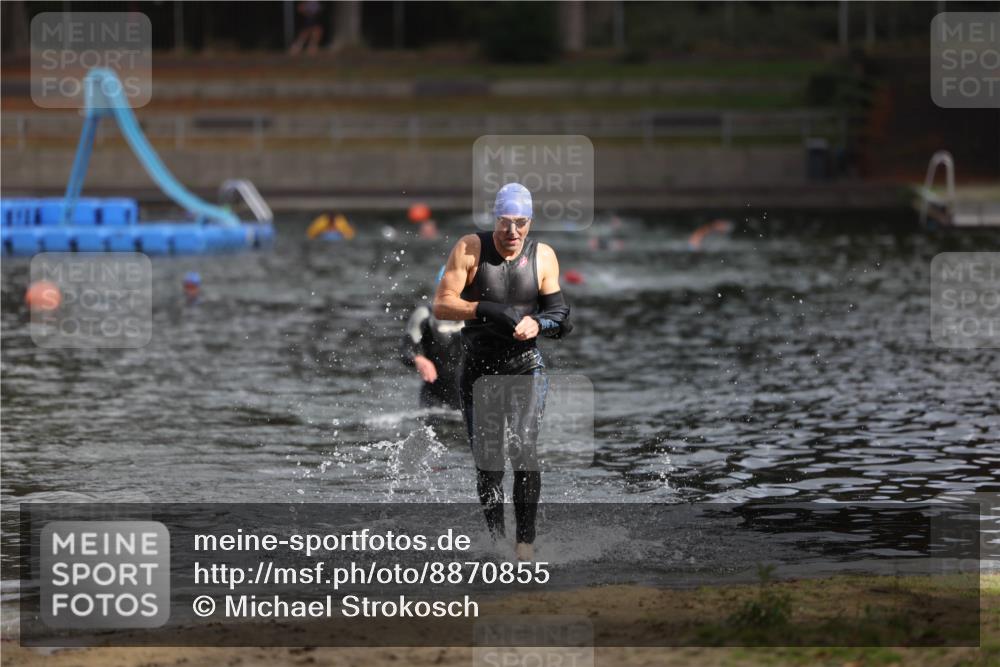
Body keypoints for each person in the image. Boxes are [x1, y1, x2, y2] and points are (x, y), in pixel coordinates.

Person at [433, 183, 572, 562]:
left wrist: (539, 325)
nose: (512, 233)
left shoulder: (543, 256)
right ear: (495, 219)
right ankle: (496, 542)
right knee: (489, 463)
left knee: (524, 450)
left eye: (521, 223)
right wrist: (483, 310)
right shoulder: (470, 248)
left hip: (526, 367)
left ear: (530, 222)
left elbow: (560, 315)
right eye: (505, 223)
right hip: (479, 369)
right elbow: (442, 305)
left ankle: (524, 545)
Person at [401, 267, 464, 410]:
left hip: (472, 401)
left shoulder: (479, 316)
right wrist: (417, 359)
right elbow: (406, 349)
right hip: (435, 403)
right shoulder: (425, 315)